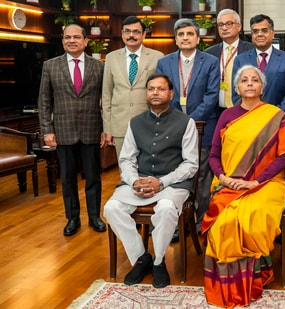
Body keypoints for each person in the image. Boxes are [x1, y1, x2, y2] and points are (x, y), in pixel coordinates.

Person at [201, 65, 285, 308]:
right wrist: (224, 178)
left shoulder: (276, 115)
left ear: (262, 86)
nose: (249, 83)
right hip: (230, 182)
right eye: (244, 80)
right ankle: (228, 281)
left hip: (268, 183)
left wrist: (256, 181)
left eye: (254, 80)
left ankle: (256, 277)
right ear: (237, 88)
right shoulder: (227, 116)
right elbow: (214, 155)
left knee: (253, 217)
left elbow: (283, 157)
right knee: (224, 223)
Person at [103, 73, 199, 288]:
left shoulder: (186, 122)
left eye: (161, 89)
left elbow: (191, 164)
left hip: (172, 184)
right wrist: (135, 181)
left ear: (171, 93)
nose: (155, 93)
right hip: (141, 182)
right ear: (146, 93)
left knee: (165, 208)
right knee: (111, 208)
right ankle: (141, 257)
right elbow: (126, 159)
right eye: (151, 89)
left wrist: (162, 182)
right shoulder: (135, 123)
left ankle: (158, 262)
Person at [37, 24, 106, 236]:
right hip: (63, 130)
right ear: (62, 40)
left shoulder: (99, 66)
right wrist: (47, 130)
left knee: (93, 177)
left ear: (86, 41)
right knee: (67, 178)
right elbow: (44, 100)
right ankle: (72, 218)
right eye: (67, 37)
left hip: (91, 129)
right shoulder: (50, 66)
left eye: (76, 37)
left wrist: (105, 128)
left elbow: (106, 100)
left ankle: (95, 216)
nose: (71, 40)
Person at [156, 18, 219, 234]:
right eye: (181, 35)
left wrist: (190, 121)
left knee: (201, 176)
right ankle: (174, 223)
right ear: (175, 39)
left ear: (198, 38)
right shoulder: (164, 63)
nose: (185, 38)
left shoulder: (210, 62)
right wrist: (178, 122)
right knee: (174, 173)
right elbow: (162, 93)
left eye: (190, 34)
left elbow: (212, 96)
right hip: (172, 130)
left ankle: (201, 223)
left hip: (203, 127)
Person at [102, 16, 164, 158]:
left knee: (148, 168)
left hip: (149, 123)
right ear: (122, 33)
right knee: (125, 170)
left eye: (136, 32)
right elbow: (106, 95)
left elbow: (162, 93)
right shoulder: (111, 58)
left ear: (144, 34)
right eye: (127, 31)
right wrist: (108, 128)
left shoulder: (157, 57)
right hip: (119, 125)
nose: (131, 35)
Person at [232, 14, 285, 115]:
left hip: (278, 119)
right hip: (248, 119)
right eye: (255, 31)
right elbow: (236, 93)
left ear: (273, 33)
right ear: (252, 35)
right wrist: (248, 114)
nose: (260, 34)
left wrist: (274, 115)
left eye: (264, 30)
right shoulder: (240, 60)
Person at [204, 9, 254, 113]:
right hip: (215, 110)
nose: (224, 28)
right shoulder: (209, 53)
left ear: (239, 26)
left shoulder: (252, 50)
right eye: (220, 24)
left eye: (229, 24)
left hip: (244, 109)